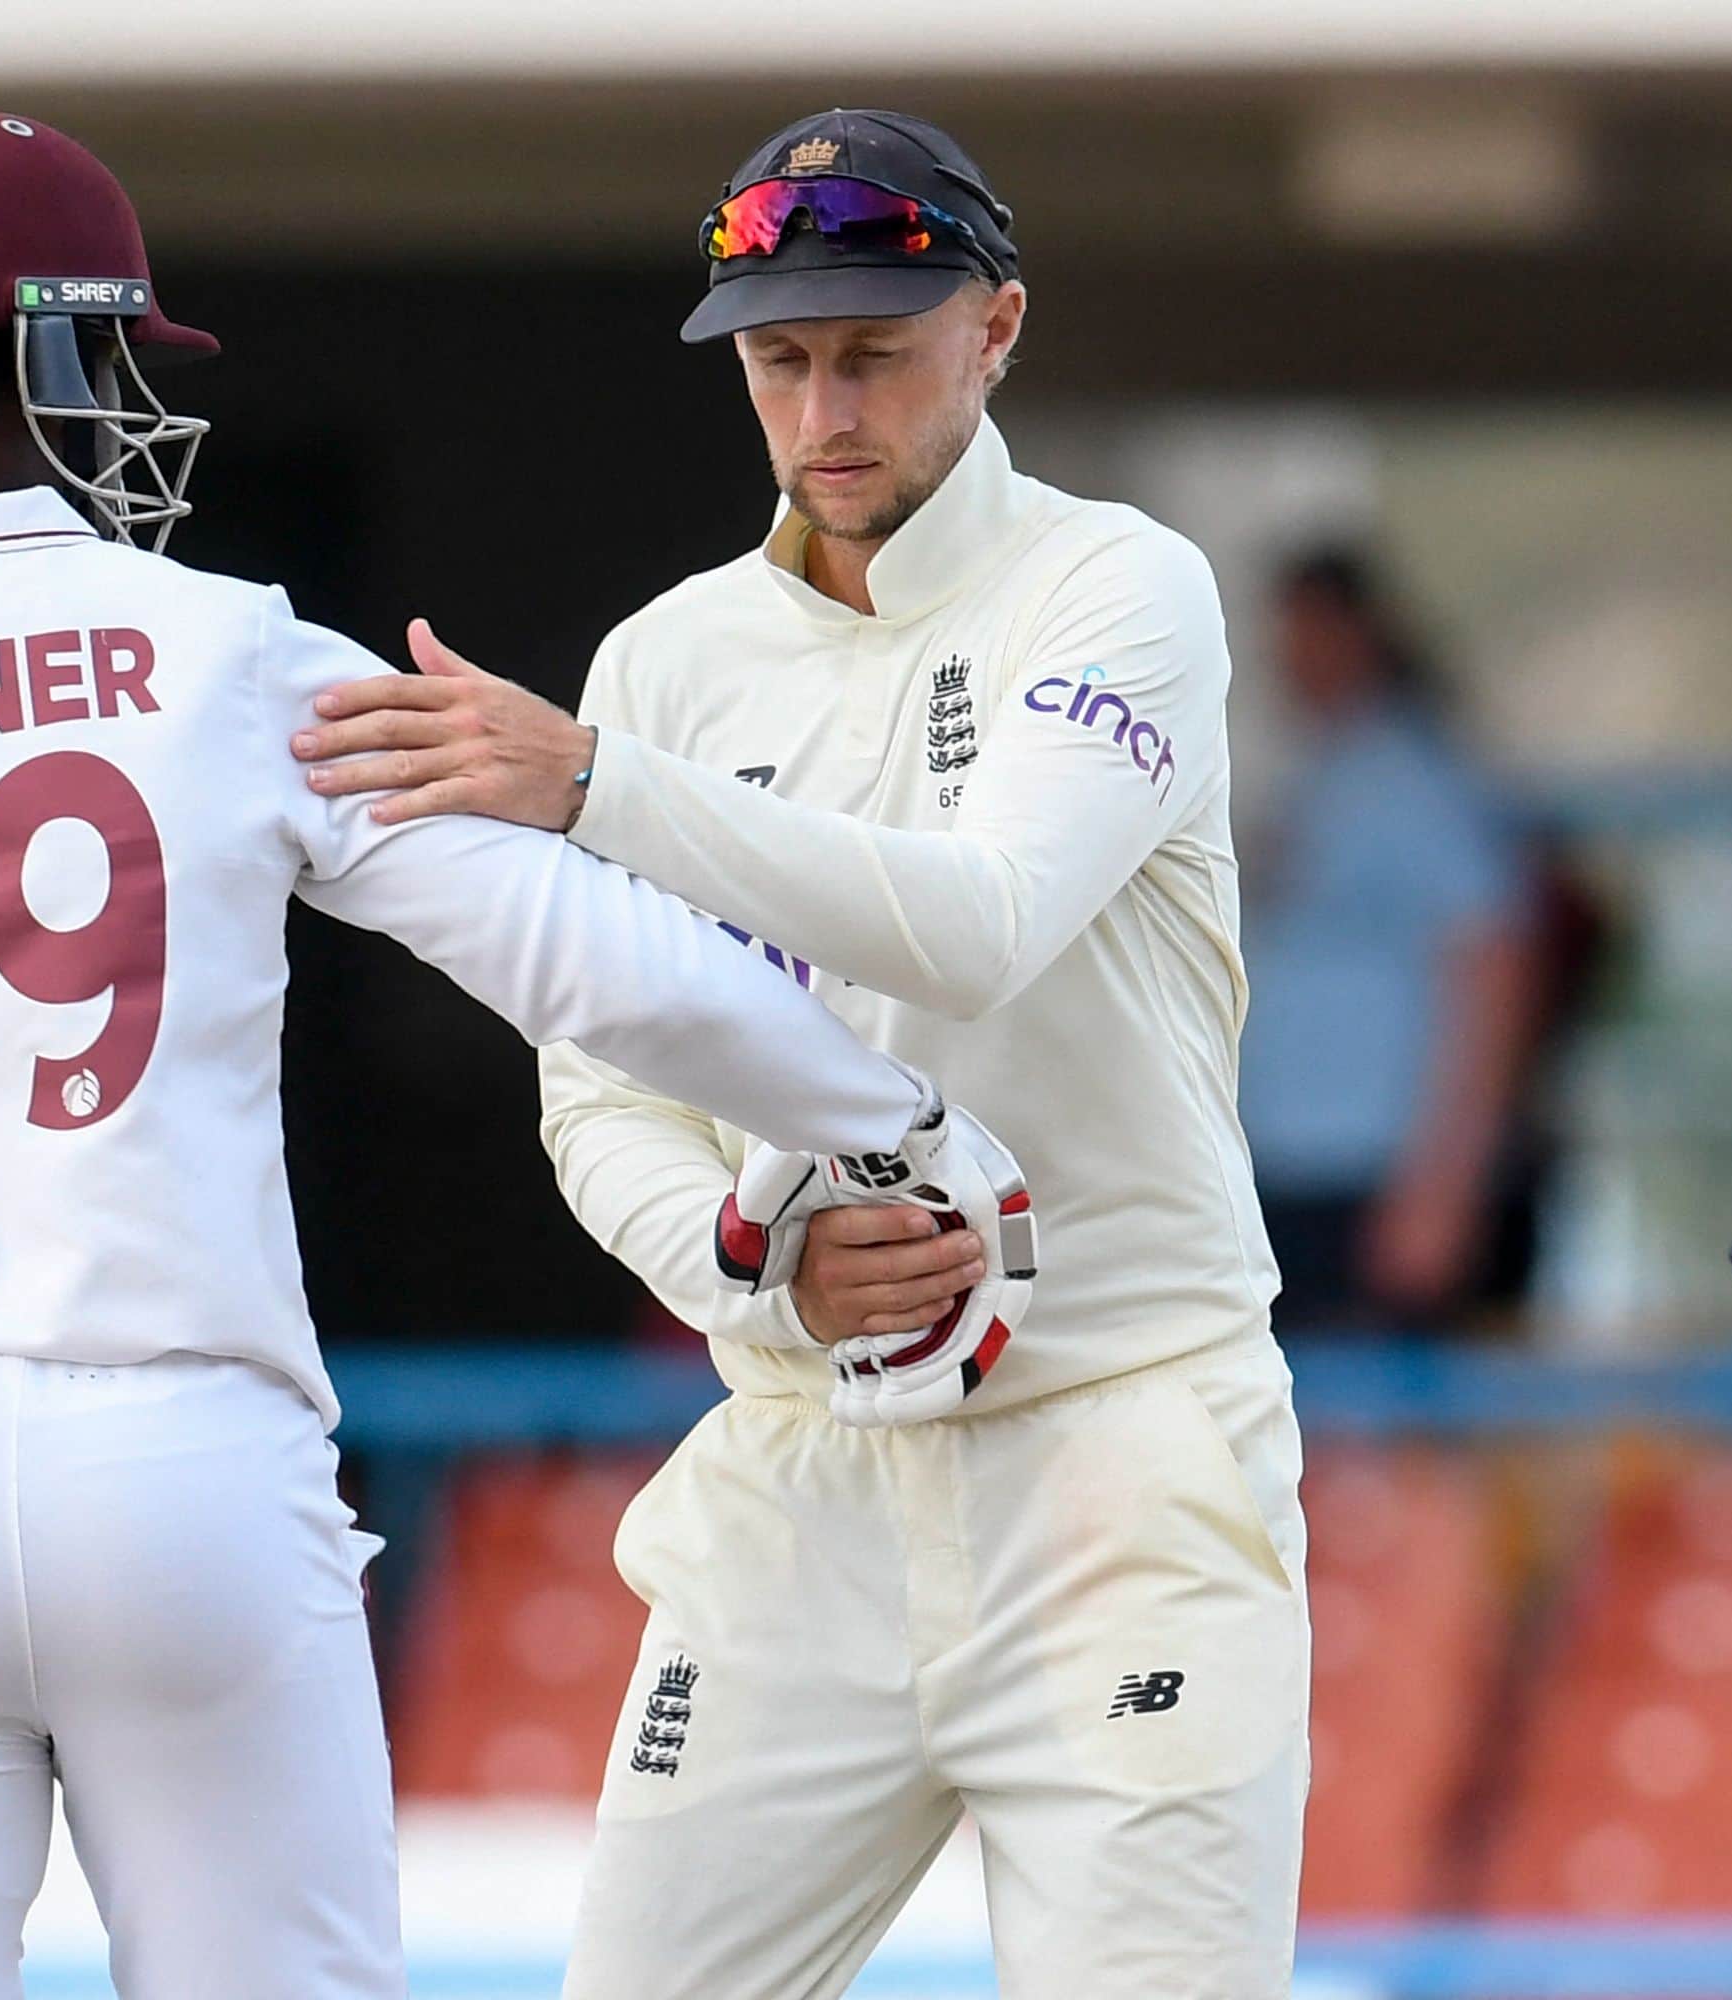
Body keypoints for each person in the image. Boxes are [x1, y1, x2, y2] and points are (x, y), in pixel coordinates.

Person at [0, 109, 1020, 2000]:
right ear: (47, 355)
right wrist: (888, 1117)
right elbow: (585, 952)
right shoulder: (229, 652)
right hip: (182, 1462)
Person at [290, 108, 1308, 1997]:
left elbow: (983, 922)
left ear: (996, 331)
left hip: (1124, 1454)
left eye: (875, 354)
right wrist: (755, 1271)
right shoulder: (669, 661)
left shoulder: (1120, 588)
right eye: (782, 362)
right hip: (804, 1465)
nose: (827, 411)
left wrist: (598, 787)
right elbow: (602, 1084)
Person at [1242, 547, 1548, 1332]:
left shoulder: (1413, 777)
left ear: (1361, 633)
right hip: (1297, 1171)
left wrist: (1443, 1186)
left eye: (1310, 630)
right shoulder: (1325, 770)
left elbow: (1496, 969)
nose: (1293, 655)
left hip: (1378, 1180)